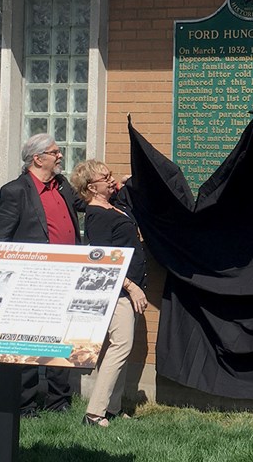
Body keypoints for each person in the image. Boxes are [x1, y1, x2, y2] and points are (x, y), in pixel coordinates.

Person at [0, 133, 85, 418]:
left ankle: (59, 401)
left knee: (60, 339)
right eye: (55, 152)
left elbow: (86, 205)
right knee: (28, 344)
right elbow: (0, 239)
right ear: (38, 158)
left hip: (66, 276)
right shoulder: (15, 191)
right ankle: (24, 405)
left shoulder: (62, 185)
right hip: (31, 280)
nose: (60, 156)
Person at [71, 159, 148, 427]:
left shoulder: (115, 206)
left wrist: (128, 181)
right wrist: (130, 286)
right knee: (120, 346)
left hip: (131, 290)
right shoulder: (97, 216)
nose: (111, 179)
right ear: (92, 187)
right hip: (119, 292)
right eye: (106, 177)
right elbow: (104, 261)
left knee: (124, 349)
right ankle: (94, 413)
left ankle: (112, 408)